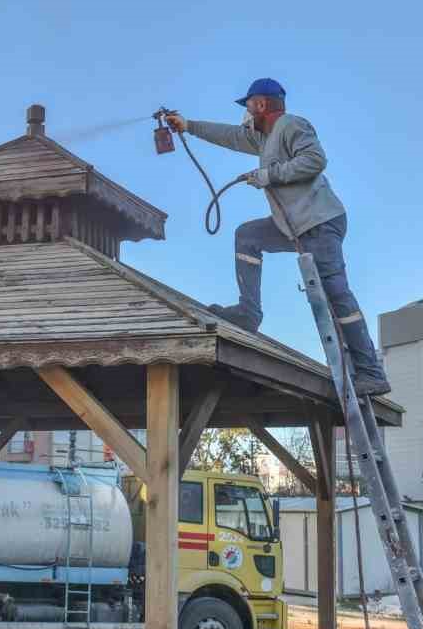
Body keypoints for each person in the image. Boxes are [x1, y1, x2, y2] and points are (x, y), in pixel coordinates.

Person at [164, 79, 390, 395]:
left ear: (260, 104)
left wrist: (267, 175)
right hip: (294, 226)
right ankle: (248, 312)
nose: (245, 113)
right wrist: (187, 125)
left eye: (248, 106)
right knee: (248, 236)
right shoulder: (264, 139)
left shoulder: (291, 124)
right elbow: (229, 135)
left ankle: (370, 371)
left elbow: (314, 160)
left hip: (320, 222)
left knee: (337, 294)